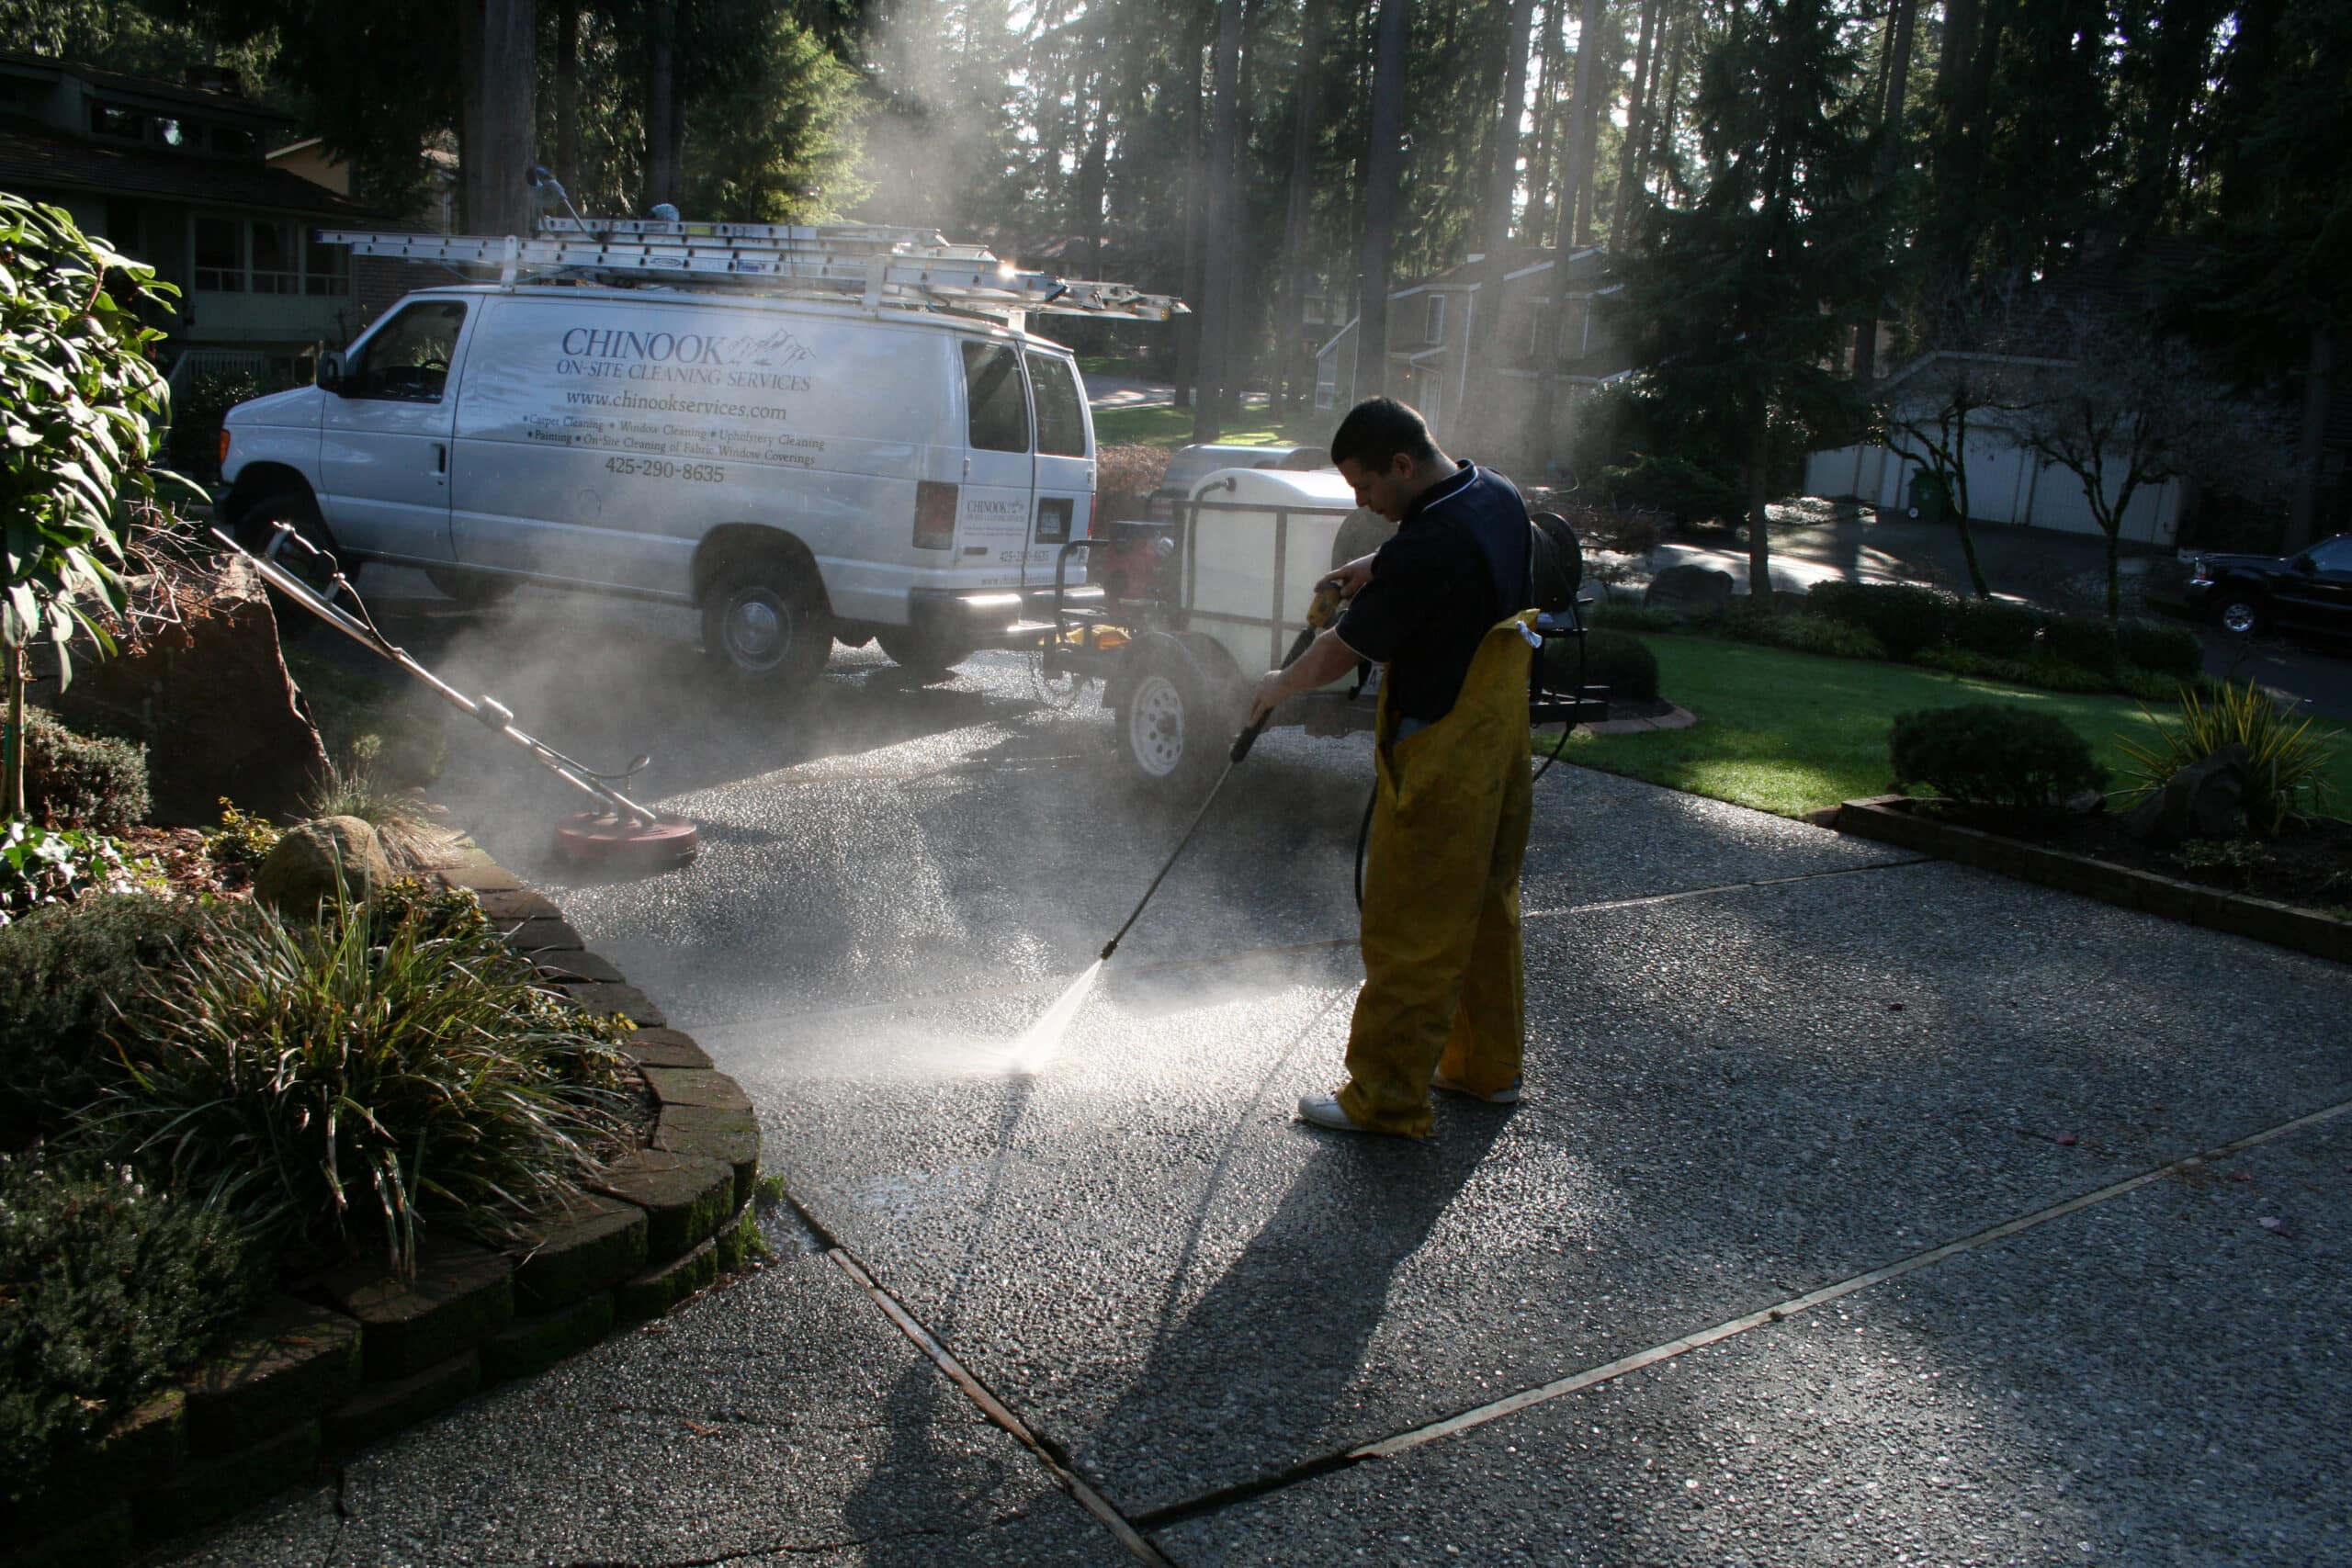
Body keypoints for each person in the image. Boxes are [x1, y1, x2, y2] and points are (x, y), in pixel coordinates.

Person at [1247, 397, 1539, 1138]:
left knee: (1413, 924)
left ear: (1403, 465)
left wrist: (1276, 689)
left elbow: (1344, 648)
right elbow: (1451, 552)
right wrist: (1378, 564)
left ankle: (1384, 1096)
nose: (1363, 502)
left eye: (1367, 486)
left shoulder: (1425, 544)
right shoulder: (1495, 494)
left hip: (1441, 746)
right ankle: (1485, 1068)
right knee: (1484, 906)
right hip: (1500, 737)